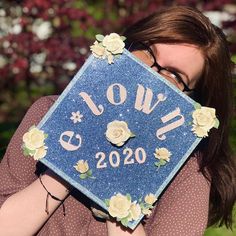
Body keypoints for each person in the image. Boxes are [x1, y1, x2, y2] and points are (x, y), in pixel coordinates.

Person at [0, 5, 235, 236]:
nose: (151, 72)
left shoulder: (188, 171)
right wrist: (74, 155)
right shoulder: (48, 112)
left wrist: (122, 183)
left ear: (192, 100)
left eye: (174, 75)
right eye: (147, 52)